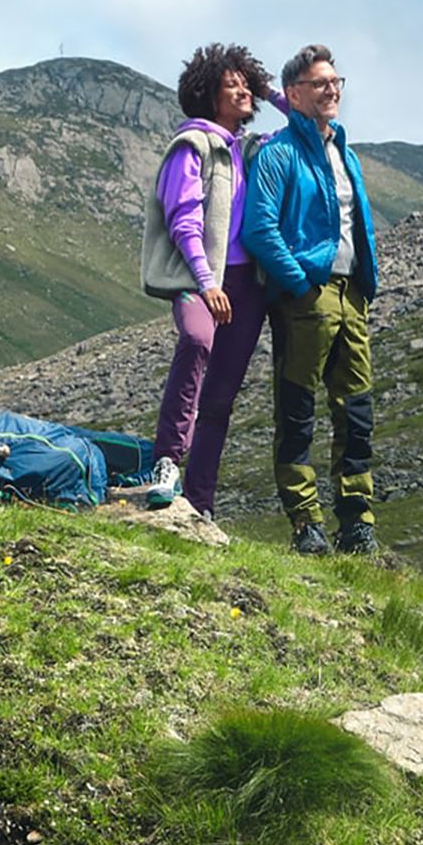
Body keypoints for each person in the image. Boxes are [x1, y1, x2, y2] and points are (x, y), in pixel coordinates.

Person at [241, 42, 381, 553]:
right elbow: (260, 229)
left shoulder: (345, 152)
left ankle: (356, 523)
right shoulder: (278, 154)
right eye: (320, 84)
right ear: (294, 96)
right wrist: (300, 284)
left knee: (356, 412)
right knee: (298, 411)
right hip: (309, 297)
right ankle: (306, 524)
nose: (331, 90)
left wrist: (366, 279)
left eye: (336, 82)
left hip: (353, 295)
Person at [143, 42, 276, 519]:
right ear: (207, 95)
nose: (242, 89)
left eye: (246, 83)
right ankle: (165, 462)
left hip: (246, 285)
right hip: (201, 280)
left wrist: (268, 91)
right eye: (231, 84)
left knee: (220, 398)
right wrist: (206, 282)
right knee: (197, 342)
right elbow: (184, 221)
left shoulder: (247, 149)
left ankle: (199, 504)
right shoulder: (192, 146)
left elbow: (302, 121)